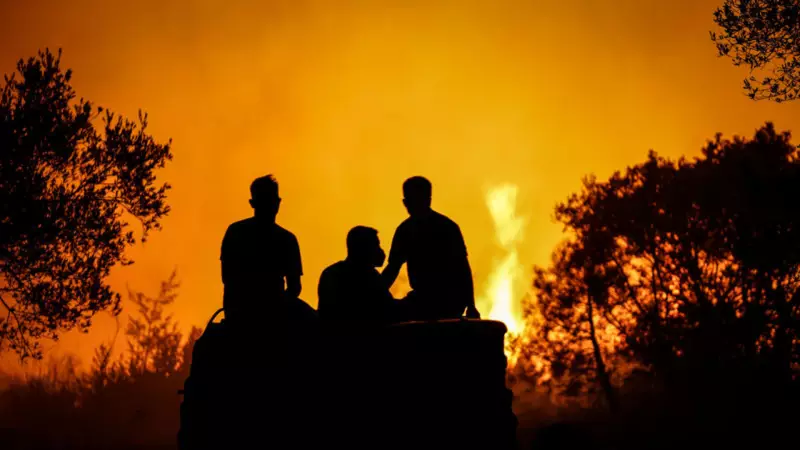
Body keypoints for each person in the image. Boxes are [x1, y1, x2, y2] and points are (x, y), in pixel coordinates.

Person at [382, 176, 481, 320]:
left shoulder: (447, 228)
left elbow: (462, 268)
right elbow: (393, 268)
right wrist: (374, 293)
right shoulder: (405, 231)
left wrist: (471, 305)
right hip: (421, 299)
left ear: (428, 200)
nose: (413, 205)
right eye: (411, 200)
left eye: (418, 200)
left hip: (449, 300)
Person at [219, 174, 307, 325]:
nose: (270, 205)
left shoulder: (235, 231)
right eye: (266, 200)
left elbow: (227, 278)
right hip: (257, 317)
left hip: (245, 315)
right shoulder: (286, 239)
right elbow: (294, 288)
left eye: (271, 200)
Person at [318, 226, 398, 329]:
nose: (380, 250)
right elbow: (385, 305)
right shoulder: (364, 276)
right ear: (363, 249)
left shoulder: (332, 272)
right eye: (376, 245)